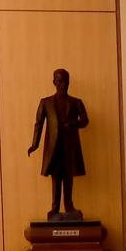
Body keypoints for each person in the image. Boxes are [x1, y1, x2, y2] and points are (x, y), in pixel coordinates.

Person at [26, 68, 89, 220]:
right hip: (53, 148)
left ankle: (68, 206)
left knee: (68, 176)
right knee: (56, 176)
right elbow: (38, 124)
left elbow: (85, 120)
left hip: (70, 147)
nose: (62, 84)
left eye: (65, 81)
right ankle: (54, 208)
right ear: (54, 82)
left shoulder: (76, 102)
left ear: (69, 82)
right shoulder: (46, 103)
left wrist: (73, 124)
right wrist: (35, 144)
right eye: (59, 81)